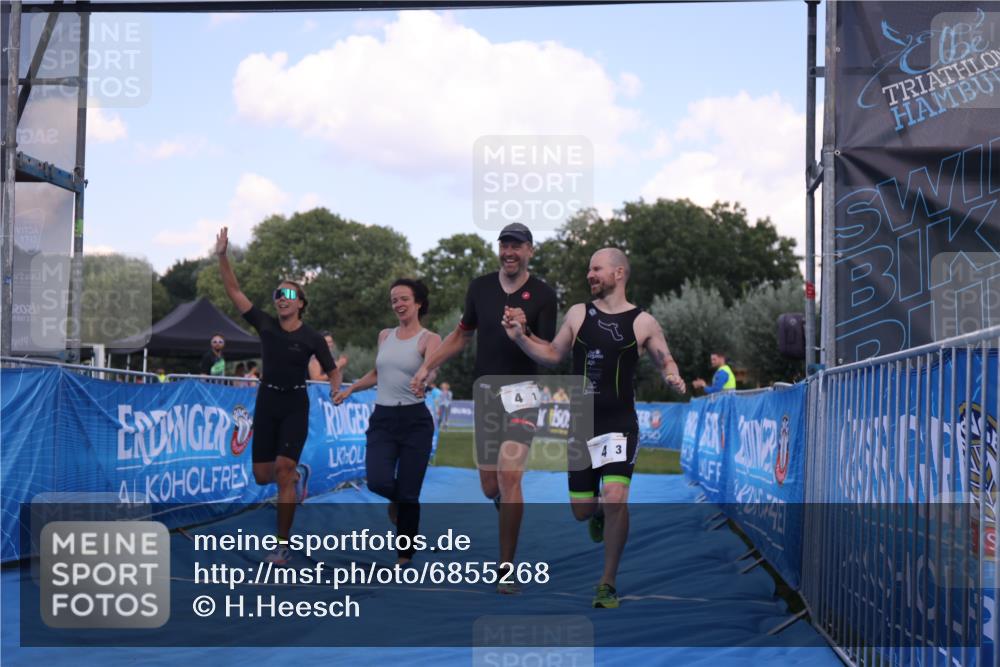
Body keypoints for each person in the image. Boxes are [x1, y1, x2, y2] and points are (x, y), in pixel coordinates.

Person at [502, 247, 686, 608]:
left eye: (597, 269)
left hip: (619, 424)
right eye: (589, 270)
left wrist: (672, 375)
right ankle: (597, 512)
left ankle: (607, 583)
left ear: (619, 273)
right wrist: (521, 339)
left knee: (617, 497)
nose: (590, 275)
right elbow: (553, 355)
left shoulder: (643, 321)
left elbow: (665, 357)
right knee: (582, 510)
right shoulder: (577, 314)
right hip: (581, 424)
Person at [411, 222, 557, 593]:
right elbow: (462, 334)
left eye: (517, 246)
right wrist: (429, 365)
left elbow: (551, 350)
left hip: (523, 391)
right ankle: (504, 504)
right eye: (504, 245)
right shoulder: (479, 288)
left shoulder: (543, 294)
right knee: (489, 483)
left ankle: (506, 569)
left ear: (530, 251)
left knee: (511, 477)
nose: (509, 252)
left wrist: (524, 332)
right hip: (487, 392)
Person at [215, 226, 341, 564]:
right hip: (267, 402)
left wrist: (334, 386)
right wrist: (223, 255)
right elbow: (233, 290)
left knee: (283, 469)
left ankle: (281, 544)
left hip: (295, 404)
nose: (282, 298)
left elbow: (331, 368)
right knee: (262, 476)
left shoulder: (312, 337)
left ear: (300, 303)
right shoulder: (265, 324)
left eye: (289, 294)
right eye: (278, 294)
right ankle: (297, 478)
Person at [333, 279, 441, 565]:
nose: (398, 304)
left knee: (409, 491)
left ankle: (404, 554)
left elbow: (431, 370)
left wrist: (424, 380)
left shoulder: (430, 339)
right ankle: (396, 500)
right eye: (394, 300)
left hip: (415, 420)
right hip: (383, 418)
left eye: (404, 298)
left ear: (418, 303)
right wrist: (350, 388)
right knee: (379, 481)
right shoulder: (385, 336)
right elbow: (377, 372)